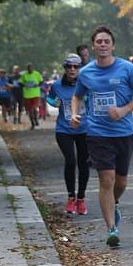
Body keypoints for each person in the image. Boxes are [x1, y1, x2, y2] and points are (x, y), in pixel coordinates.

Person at [70, 26, 133, 247]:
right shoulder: (86, 72)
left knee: (121, 181)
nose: (103, 45)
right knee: (107, 179)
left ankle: (113, 202)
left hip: (123, 132)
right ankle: (111, 228)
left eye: (107, 41)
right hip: (97, 133)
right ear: (93, 46)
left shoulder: (126, 68)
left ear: (112, 45)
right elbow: (77, 97)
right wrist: (76, 113)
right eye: (99, 42)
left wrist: (125, 110)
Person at [47, 55, 89, 215]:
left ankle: (81, 199)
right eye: (69, 67)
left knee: (84, 163)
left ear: (80, 68)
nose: (72, 70)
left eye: (76, 67)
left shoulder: (86, 84)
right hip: (64, 129)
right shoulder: (57, 85)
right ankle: (71, 197)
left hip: (84, 129)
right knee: (70, 161)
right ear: (64, 68)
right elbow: (49, 98)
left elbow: (92, 102)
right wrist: (54, 102)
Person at [19, 63, 43, 129]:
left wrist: (37, 85)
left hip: (35, 94)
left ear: (33, 68)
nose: (30, 69)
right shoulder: (24, 75)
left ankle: (35, 119)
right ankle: (33, 122)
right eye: (28, 68)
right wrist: (25, 85)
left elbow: (41, 81)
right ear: (27, 69)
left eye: (31, 68)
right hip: (27, 95)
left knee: (34, 108)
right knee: (30, 109)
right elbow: (20, 83)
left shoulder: (37, 74)